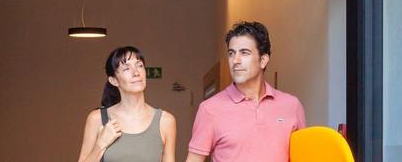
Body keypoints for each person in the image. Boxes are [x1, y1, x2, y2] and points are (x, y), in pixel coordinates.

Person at [186, 21, 306, 162]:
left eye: (244, 53)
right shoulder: (209, 109)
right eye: (231, 53)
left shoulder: (291, 106)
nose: (235, 60)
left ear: (263, 60)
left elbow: (302, 156)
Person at [79, 46, 177, 162]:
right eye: (126, 68)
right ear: (114, 80)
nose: (136, 72)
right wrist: (100, 145)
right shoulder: (97, 119)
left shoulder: (165, 121)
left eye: (139, 65)